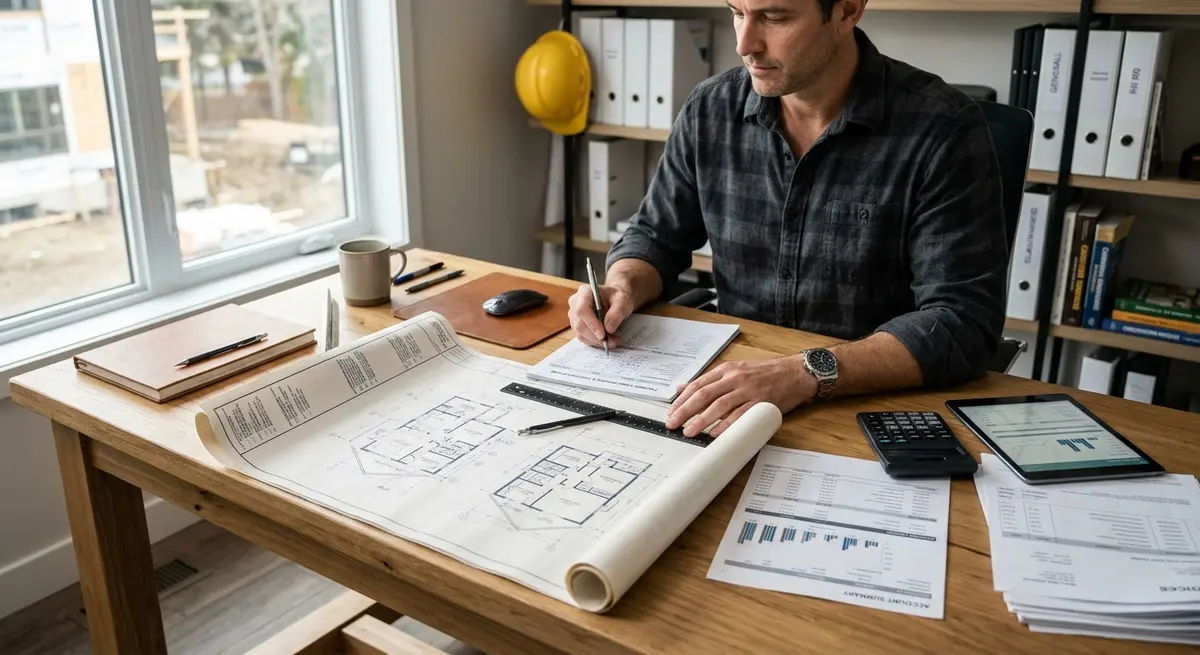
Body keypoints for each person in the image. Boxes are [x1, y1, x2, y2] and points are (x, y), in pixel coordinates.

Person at [566, 0, 1009, 438]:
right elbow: (655, 236)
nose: (744, 44)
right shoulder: (710, 108)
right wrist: (621, 286)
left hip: (875, 405)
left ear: (846, 11)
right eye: (737, 12)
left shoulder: (943, 129)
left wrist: (802, 373)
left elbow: (961, 321)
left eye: (774, 18)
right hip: (736, 393)